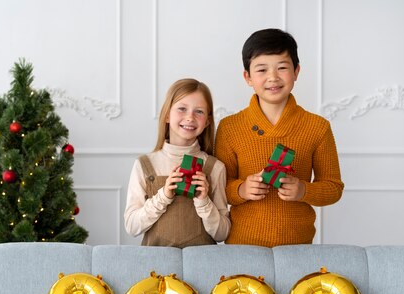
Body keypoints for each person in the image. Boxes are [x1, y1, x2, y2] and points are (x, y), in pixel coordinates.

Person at [215, 28, 344, 247]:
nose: (272, 77)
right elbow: (218, 188)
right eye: (262, 69)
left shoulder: (318, 127)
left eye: (282, 68)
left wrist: (304, 190)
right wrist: (242, 189)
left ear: (296, 71)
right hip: (242, 245)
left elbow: (333, 188)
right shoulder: (230, 127)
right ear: (247, 77)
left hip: (298, 246)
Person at [124, 78, 231, 247]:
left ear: (208, 121)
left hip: (201, 267)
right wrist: (163, 196)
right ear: (167, 115)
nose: (190, 117)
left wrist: (204, 201)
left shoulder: (215, 167)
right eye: (182, 109)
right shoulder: (144, 165)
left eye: (199, 112)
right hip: (156, 268)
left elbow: (222, 233)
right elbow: (132, 226)